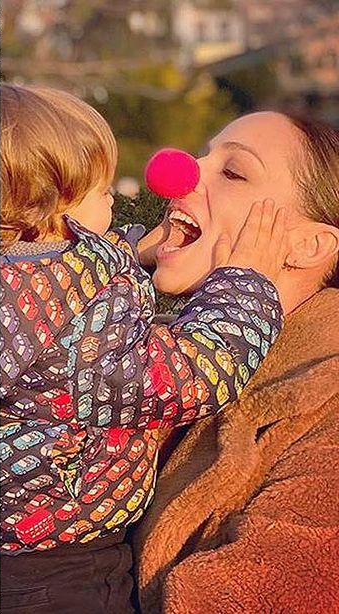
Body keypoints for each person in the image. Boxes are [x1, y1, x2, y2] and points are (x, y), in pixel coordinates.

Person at [0, 84, 289, 613]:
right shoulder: (79, 330)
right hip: (60, 561)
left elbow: (81, 269)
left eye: (232, 170)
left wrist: (142, 249)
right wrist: (245, 283)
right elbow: (192, 376)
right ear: (54, 207)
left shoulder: (32, 263)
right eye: (102, 189)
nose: (183, 172)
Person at [131, 112, 339, 613]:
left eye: (233, 172)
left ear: (308, 245)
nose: (185, 172)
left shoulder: (326, 409)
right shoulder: (146, 337)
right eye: (204, 155)